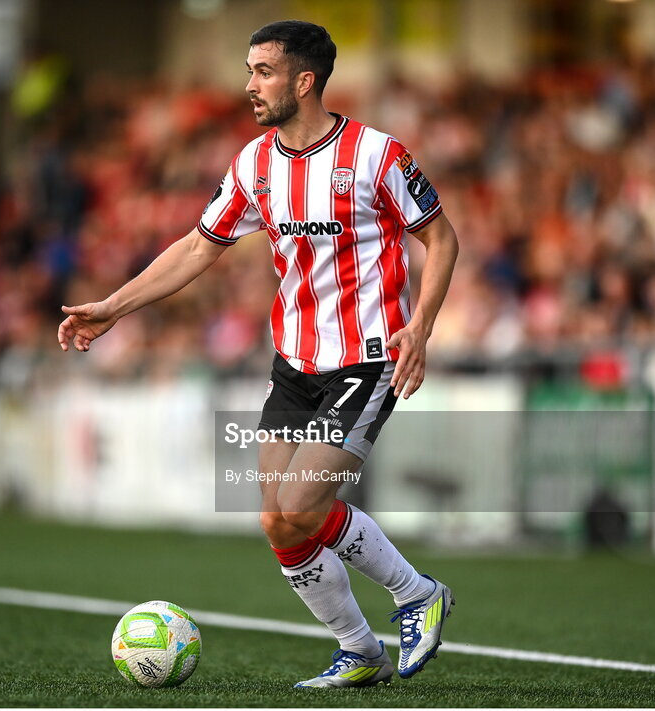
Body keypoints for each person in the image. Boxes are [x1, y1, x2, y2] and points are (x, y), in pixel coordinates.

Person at [58, 20, 459, 689]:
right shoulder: (252, 164)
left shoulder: (377, 155)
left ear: (304, 80)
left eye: (263, 71)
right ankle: (359, 650)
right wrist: (111, 307)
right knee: (276, 518)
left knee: (301, 502)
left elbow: (441, 240)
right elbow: (195, 248)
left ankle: (417, 593)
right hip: (293, 366)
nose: (249, 85)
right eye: (249, 70)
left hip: (366, 359)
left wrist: (419, 326)